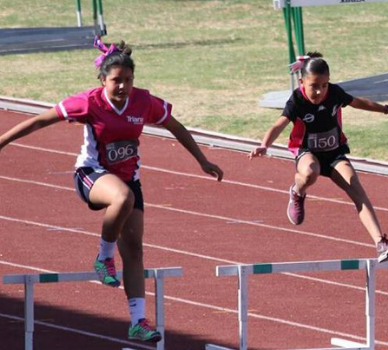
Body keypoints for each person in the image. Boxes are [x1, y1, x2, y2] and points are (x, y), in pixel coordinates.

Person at [0, 39, 224, 342]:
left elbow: (176, 126)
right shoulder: (89, 102)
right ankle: (103, 256)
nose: (123, 86)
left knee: (134, 249)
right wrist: (2, 141)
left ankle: (138, 321)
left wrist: (202, 160)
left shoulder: (143, 102)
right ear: (102, 80)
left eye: (128, 80)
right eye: (116, 80)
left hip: (129, 178)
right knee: (122, 197)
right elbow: (40, 120)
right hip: (91, 175)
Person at [249, 52, 388, 263]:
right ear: (302, 82)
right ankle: (297, 192)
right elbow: (279, 124)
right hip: (307, 151)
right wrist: (264, 145)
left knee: (356, 187)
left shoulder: (334, 93)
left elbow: (358, 102)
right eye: (314, 85)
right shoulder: (297, 100)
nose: (319, 91)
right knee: (310, 172)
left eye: (324, 85)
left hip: (334, 153)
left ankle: (381, 243)